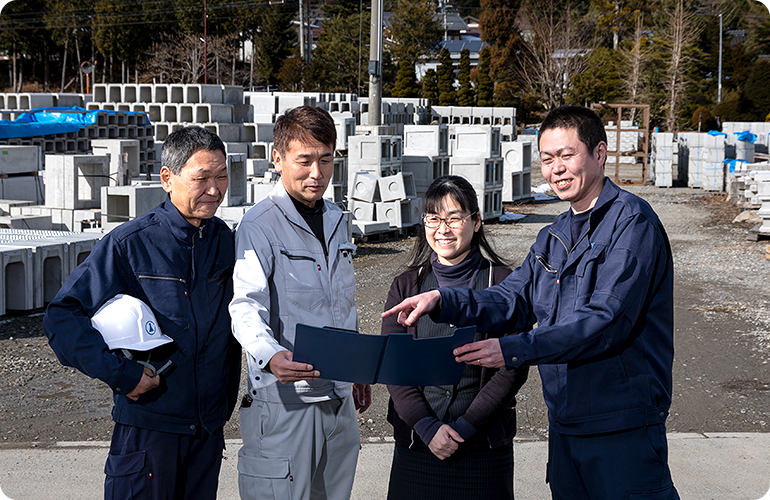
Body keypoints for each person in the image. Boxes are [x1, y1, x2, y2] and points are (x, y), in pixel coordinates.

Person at [383, 105, 680, 499]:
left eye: (567, 155)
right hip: (567, 422)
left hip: (620, 423)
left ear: (599, 153)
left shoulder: (632, 224)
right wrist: (442, 300)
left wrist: (512, 349)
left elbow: (605, 320)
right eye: (547, 158)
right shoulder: (554, 234)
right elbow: (512, 299)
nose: (556, 168)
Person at [44, 126, 241, 499]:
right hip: (149, 430)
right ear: (168, 178)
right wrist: (122, 375)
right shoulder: (130, 245)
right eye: (202, 178)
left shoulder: (227, 243)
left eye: (221, 176)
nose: (214, 190)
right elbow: (61, 317)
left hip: (207, 432)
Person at [229, 105, 371, 500]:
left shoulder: (335, 217)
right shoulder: (260, 224)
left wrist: (356, 366)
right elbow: (244, 306)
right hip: (287, 400)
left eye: (326, 160)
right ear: (278, 159)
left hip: (338, 395)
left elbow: (341, 301)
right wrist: (271, 355)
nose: (317, 173)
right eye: (304, 160)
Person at [381, 175, 529, 500]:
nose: (443, 229)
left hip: (482, 445)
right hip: (417, 443)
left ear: (476, 221)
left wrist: (464, 428)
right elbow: (395, 366)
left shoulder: (504, 283)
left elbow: (512, 367)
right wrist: (427, 427)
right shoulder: (406, 286)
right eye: (433, 219)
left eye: (454, 218)